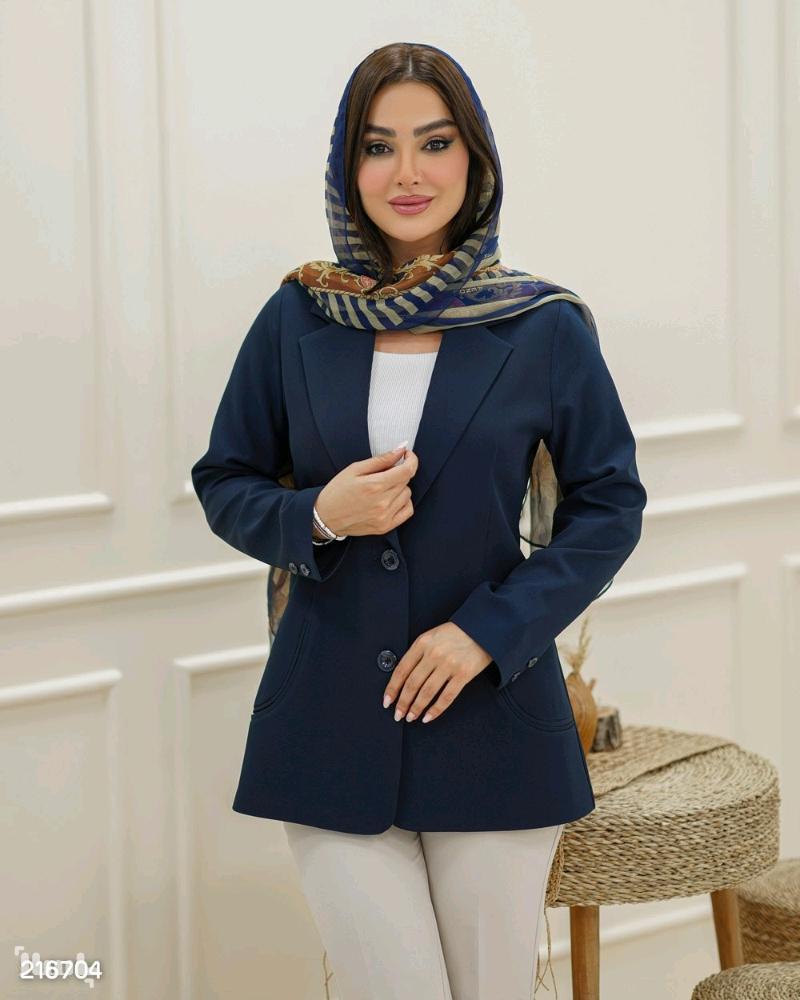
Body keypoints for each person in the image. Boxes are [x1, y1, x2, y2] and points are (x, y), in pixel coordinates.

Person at [191, 41, 647, 1000]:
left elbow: (610, 507)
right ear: (346, 166)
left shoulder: (541, 325)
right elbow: (225, 480)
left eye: (434, 143)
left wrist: (488, 632)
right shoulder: (299, 317)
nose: (407, 172)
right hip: (325, 726)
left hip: (494, 726)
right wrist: (320, 514)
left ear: (474, 158)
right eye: (378, 146)